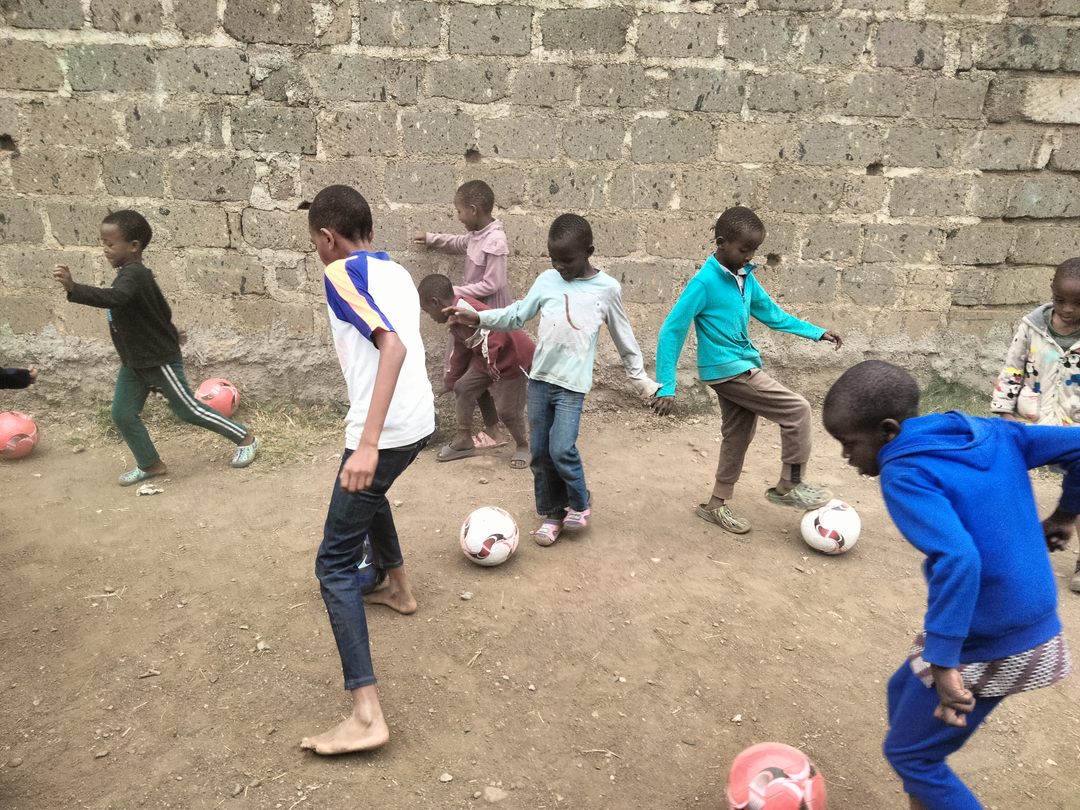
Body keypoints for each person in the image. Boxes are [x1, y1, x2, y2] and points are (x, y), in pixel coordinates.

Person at [823, 360, 1080, 810]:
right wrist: (1064, 514)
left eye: (849, 444)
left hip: (996, 636)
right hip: (1020, 616)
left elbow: (959, 558)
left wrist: (943, 664)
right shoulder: (990, 432)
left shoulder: (905, 471)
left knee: (912, 757)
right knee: (902, 691)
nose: (846, 456)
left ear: (887, 431)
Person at [301, 184, 435, 755]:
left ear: (327, 237)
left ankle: (366, 716)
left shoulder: (338, 274)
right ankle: (398, 589)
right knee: (370, 496)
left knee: (333, 563)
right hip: (418, 422)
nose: (318, 252)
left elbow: (392, 348)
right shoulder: (396, 271)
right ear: (371, 231)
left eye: (316, 243)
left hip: (385, 431)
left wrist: (368, 444)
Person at [447, 213, 658, 546]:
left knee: (561, 449)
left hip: (571, 387)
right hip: (540, 380)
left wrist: (641, 380)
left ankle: (580, 502)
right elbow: (516, 315)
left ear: (589, 251)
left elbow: (624, 338)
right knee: (541, 453)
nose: (560, 266)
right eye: (554, 259)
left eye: (567, 260)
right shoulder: (547, 280)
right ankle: (552, 513)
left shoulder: (607, 289)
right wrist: (478, 317)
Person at [652, 206, 842, 535]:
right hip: (730, 369)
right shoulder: (704, 282)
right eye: (744, 249)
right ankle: (789, 484)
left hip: (738, 365)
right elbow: (672, 329)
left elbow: (773, 314)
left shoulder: (745, 278)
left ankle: (715, 505)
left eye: (754, 250)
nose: (750, 256)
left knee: (738, 435)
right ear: (721, 243)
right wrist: (666, 385)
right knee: (797, 409)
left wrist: (817, 332)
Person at [52, 210, 257, 485]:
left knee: (188, 410)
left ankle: (244, 437)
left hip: (158, 361)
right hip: (134, 362)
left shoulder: (134, 275)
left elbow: (116, 298)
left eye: (110, 243)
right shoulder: (129, 275)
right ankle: (150, 464)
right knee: (123, 414)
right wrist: (170, 331)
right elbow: (159, 309)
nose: (105, 249)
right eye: (102, 243)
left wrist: (74, 288)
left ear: (134, 246)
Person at [990, 257, 1080, 591]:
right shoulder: (1032, 327)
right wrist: (1004, 411)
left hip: (1075, 429)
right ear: (1051, 291)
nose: (1067, 309)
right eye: (1060, 300)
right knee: (1009, 480)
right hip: (1033, 422)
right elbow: (1013, 368)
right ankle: (1008, 551)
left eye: (1078, 303)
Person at [412, 180, 510, 450]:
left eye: (459, 211)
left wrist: (453, 291)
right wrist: (431, 238)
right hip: (469, 312)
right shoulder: (477, 235)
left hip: (486, 315)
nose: (458, 217)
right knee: (470, 371)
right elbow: (458, 242)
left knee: (482, 372)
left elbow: (493, 284)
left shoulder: (495, 241)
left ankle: (496, 431)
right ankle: (490, 430)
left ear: (473, 209)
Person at [417, 273, 533, 469]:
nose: (430, 317)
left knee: (508, 411)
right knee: (463, 387)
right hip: (487, 360)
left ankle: (523, 445)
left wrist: (492, 359)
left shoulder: (466, 309)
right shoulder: (454, 319)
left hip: (512, 358)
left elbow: (496, 330)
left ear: (435, 302)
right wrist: (450, 381)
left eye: (427, 311)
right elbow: (461, 351)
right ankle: (464, 439)